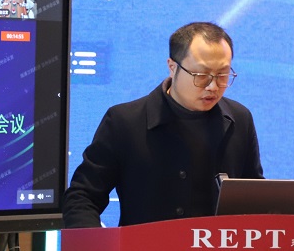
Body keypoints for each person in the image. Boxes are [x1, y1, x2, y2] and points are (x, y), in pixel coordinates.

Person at [62, 22, 263, 229]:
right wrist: (97, 245)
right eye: (201, 75)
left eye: (222, 75)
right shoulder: (124, 122)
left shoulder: (240, 119)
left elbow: (256, 200)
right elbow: (82, 197)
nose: (213, 86)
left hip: (219, 250)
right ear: (172, 67)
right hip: (144, 248)